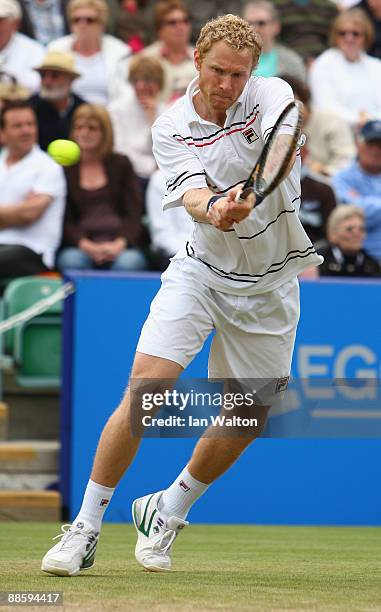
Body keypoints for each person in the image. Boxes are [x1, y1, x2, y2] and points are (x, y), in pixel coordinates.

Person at [41, 14, 322, 577]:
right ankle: (85, 528)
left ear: (253, 72)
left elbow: (285, 138)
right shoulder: (171, 127)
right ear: (196, 61)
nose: (227, 84)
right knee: (146, 390)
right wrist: (217, 209)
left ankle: (167, 509)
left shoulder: (273, 93)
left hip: (271, 285)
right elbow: (194, 197)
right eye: (218, 71)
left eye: (238, 75)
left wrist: (255, 186)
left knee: (246, 417)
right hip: (201, 274)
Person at [56, 103, 147, 272]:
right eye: (79, 127)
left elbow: (134, 212)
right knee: (70, 261)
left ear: (105, 133)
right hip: (80, 246)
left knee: (129, 264)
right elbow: (64, 218)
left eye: (92, 128)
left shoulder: (121, 164)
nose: (84, 133)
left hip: (121, 245)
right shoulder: (66, 169)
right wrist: (86, 246)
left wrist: (120, 244)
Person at [0, 100, 66, 278]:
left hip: (32, 251)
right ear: (2, 133)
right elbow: (24, 214)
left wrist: (23, 213)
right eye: (17, 126)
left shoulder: (49, 166)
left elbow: (29, 214)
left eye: (30, 124)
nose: (26, 130)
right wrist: (18, 212)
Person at [309, 8, 381, 129]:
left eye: (355, 33)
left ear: (366, 36)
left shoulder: (376, 66)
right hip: (338, 132)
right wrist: (359, 120)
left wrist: (370, 120)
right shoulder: (323, 64)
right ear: (335, 36)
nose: (349, 38)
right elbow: (325, 107)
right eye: (343, 33)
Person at [48, 0, 131, 104]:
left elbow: (126, 94)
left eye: (89, 20)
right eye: (76, 20)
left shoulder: (120, 52)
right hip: (68, 116)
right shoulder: (56, 50)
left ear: (102, 24)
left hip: (109, 115)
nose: (82, 25)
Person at [281, 74, 356, 177]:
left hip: (331, 184)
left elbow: (346, 160)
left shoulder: (332, 121)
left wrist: (324, 172)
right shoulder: (273, 129)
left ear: (303, 98)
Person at [108, 55, 165, 191]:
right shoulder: (116, 109)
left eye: (147, 80)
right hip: (127, 175)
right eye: (135, 81)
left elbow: (169, 151)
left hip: (158, 177)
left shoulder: (166, 111)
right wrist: (152, 166)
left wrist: (154, 121)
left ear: (159, 84)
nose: (140, 86)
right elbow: (118, 151)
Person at [332, 119, 381, 262]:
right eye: (371, 144)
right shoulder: (341, 178)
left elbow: (360, 210)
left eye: (380, 145)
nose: (377, 150)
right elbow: (352, 215)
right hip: (357, 259)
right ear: (359, 144)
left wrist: (361, 201)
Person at [139, 0, 197, 105]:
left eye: (185, 21)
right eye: (172, 22)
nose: (180, 27)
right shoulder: (145, 59)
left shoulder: (201, 59)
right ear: (159, 30)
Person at [29, 50, 85, 151]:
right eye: (43, 75)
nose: (47, 82)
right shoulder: (29, 108)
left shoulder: (83, 109)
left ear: (71, 79)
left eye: (55, 76)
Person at [242, 0, 307, 82]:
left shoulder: (292, 62)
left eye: (261, 23)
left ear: (276, 27)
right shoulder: (233, 59)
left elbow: (301, 93)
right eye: (249, 23)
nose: (255, 28)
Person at [146, 168, 193, 270]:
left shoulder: (219, 175)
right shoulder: (160, 178)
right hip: (176, 256)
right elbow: (162, 236)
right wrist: (194, 255)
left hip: (215, 255)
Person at [315, 205, 381, 276]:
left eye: (361, 229)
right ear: (333, 234)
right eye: (349, 229)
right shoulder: (316, 261)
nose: (356, 234)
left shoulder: (372, 266)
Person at [272, 0, 338, 63]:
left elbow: (336, 39)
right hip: (286, 61)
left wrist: (320, 62)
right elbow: (273, 39)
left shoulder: (329, 7)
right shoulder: (275, 5)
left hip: (324, 61)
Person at [0, 0, 45, 93]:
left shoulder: (34, 50)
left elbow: (37, 83)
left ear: (16, 23)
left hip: (21, 104)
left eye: (0, 20)